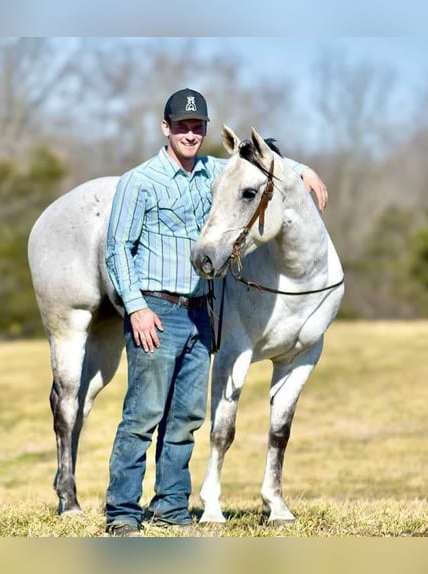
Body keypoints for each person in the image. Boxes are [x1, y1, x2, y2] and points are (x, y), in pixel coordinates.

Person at [103, 88, 327, 536]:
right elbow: (116, 252)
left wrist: (305, 171)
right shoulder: (140, 180)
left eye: (197, 126)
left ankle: (171, 508)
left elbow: (262, 167)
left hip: (202, 312)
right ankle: (123, 513)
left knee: (186, 417)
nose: (190, 133)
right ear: (165, 128)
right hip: (156, 311)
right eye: (181, 126)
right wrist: (136, 309)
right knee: (144, 415)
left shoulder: (212, 170)